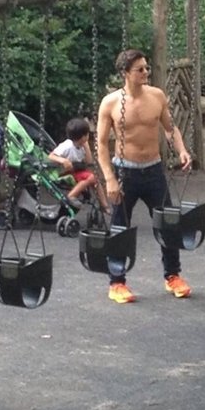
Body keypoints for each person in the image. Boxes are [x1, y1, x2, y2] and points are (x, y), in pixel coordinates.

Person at [97, 48, 192, 304]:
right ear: (125, 73)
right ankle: (117, 283)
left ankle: (172, 276)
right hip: (124, 171)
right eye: (140, 69)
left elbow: (170, 129)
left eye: (147, 68)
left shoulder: (157, 96)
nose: (146, 72)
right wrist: (109, 178)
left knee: (167, 223)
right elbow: (101, 144)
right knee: (120, 227)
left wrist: (182, 150)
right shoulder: (111, 103)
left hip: (153, 170)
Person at [48, 117, 109, 212]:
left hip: (76, 171)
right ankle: (71, 196)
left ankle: (104, 205)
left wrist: (86, 146)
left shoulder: (82, 146)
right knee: (91, 177)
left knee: (95, 179)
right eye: (87, 134)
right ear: (83, 136)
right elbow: (51, 156)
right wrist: (63, 160)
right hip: (64, 172)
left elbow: (89, 161)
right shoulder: (67, 145)